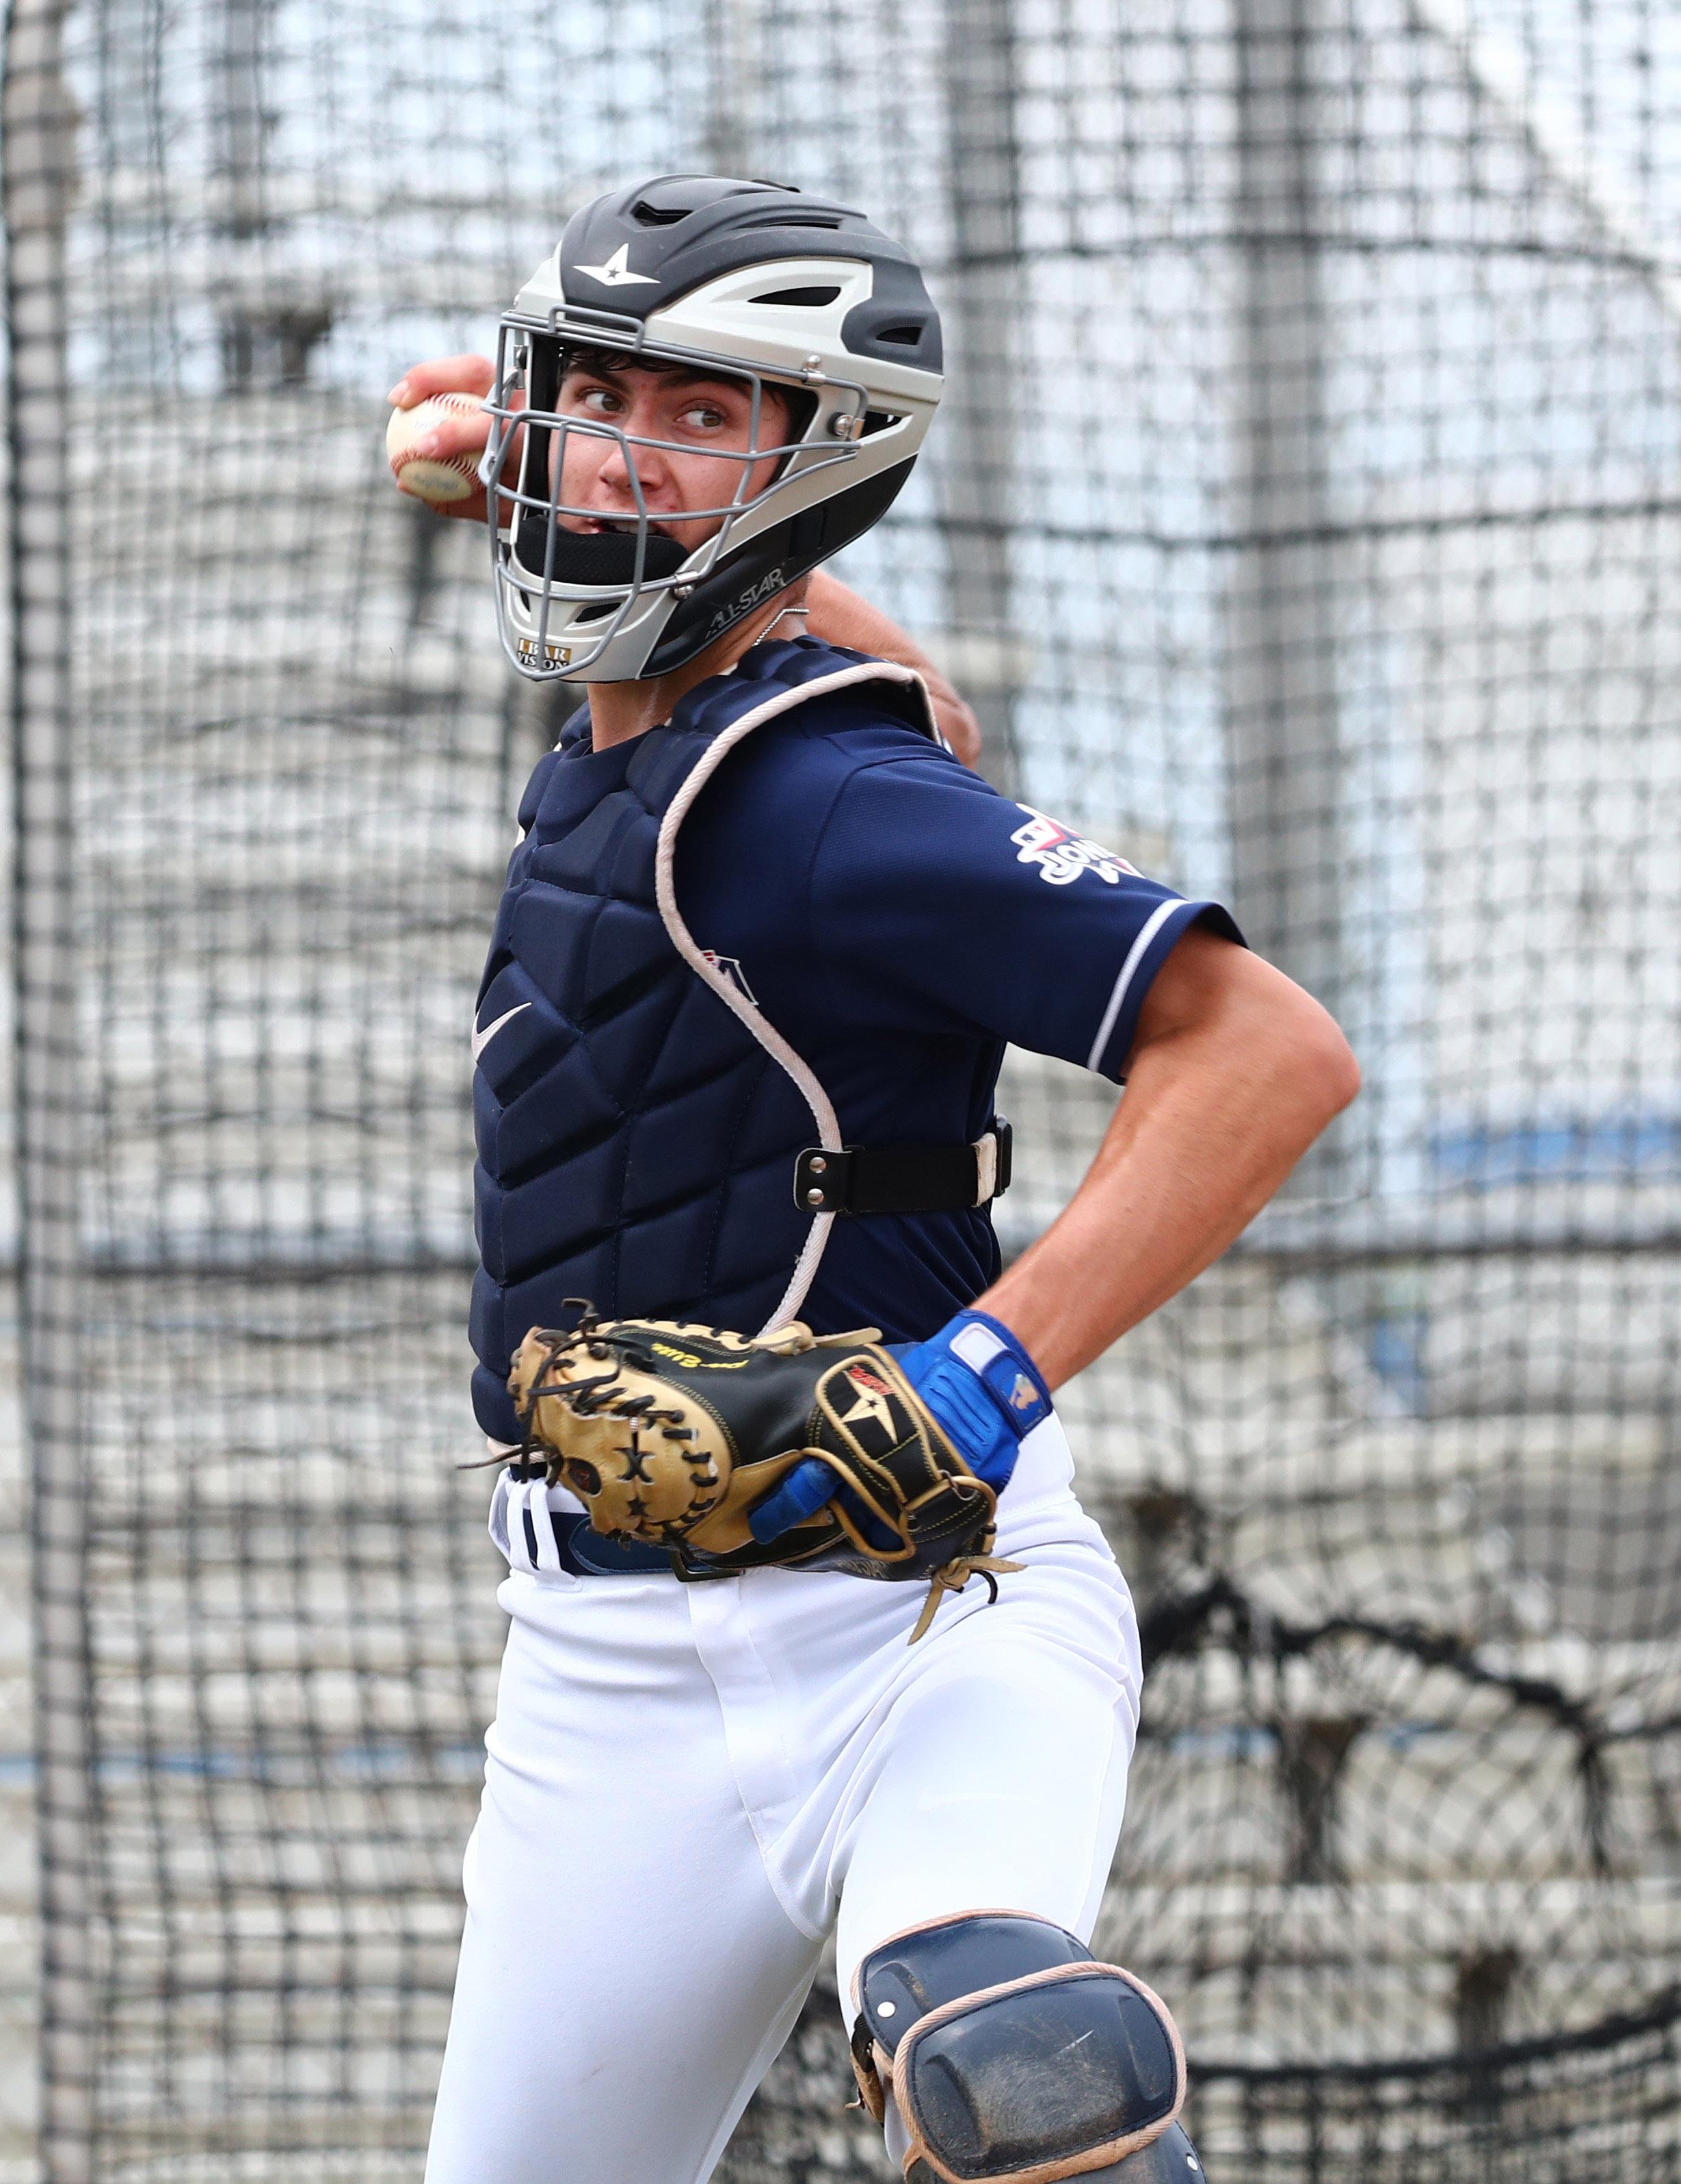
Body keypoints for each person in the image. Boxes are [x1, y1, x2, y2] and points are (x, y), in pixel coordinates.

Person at [397, 174, 1359, 2184]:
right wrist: (532, 460)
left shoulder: (827, 794)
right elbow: (879, 670)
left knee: (1024, 2068)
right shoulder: (640, 732)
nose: (600, 446)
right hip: (603, 1676)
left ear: (814, 465)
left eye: (689, 414)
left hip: (929, 1609)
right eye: (583, 392)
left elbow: (1265, 1051)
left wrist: (977, 1379)